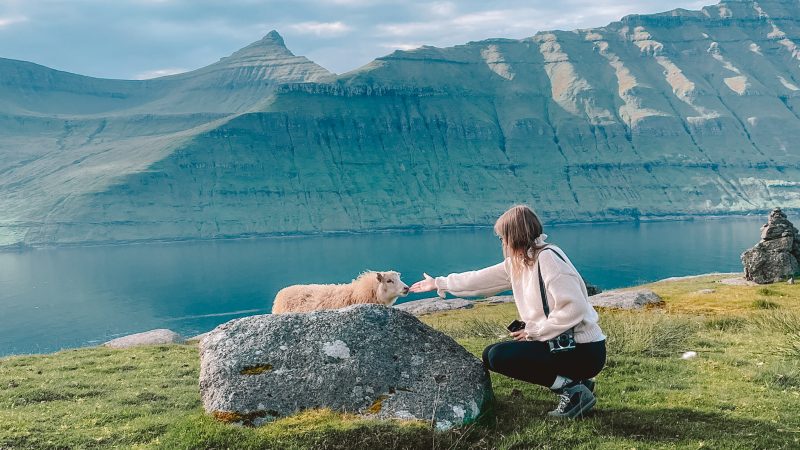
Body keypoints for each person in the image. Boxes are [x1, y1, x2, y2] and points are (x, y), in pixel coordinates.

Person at [409, 205, 606, 418]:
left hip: (584, 350)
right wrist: (440, 283)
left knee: (500, 356)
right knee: (491, 355)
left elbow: (573, 307)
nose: (502, 242)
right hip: (560, 345)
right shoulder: (518, 262)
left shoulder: (549, 259)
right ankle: (577, 383)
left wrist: (534, 331)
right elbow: (478, 280)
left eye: (503, 237)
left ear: (515, 236)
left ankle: (572, 391)